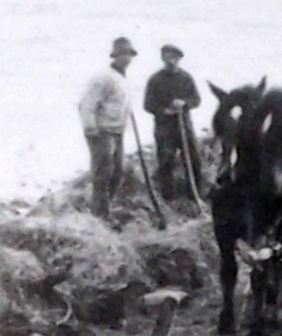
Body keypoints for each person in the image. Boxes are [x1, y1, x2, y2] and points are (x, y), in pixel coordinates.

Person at [79, 37, 135, 220]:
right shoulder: (103, 78)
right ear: (115, 56)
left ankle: (104, 207)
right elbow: (87, 104)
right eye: (123, 54)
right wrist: (90, 128)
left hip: (117, 132)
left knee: (118, 172)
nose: (127, 58)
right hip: (102, 131)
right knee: (103, 172)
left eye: (129, 55)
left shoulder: (122, 78)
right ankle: (100, 214)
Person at [144, 43, 203, 202]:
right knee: (166, 162)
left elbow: (197, 99)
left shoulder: (186, 78)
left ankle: (195, 196)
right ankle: (168, 199)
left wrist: (184, 104)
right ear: (163, 58)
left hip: (184, 126)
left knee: (193, 160)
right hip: (164, 128)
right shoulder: (155, 79)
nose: (171, 61)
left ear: (179, 59)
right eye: (168, 57)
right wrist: (164, 110)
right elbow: (148, 105)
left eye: (175, 57)